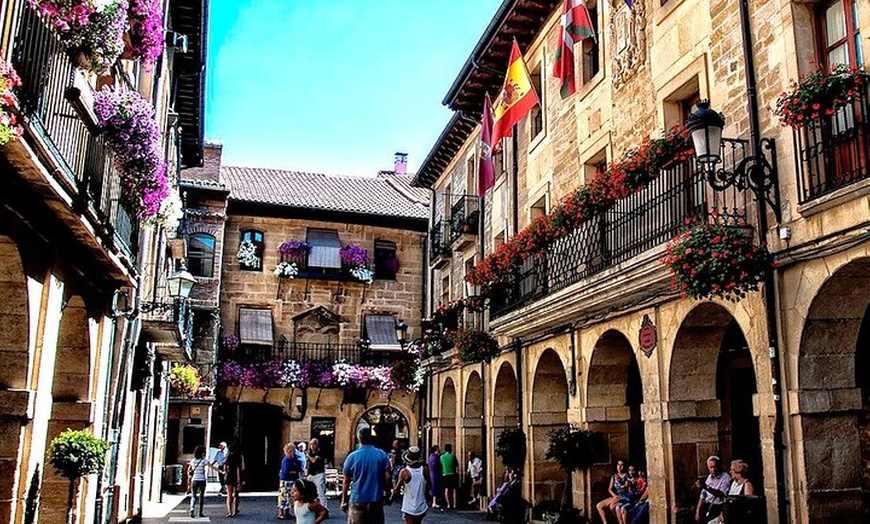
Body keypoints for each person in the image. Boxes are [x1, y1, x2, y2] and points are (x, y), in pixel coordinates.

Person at [341, 427, 391, 524]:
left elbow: (346, 481)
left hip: (357, 498)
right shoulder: (381, 455)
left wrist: (344, 500)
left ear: (358, 438)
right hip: (375, 498)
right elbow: (388, 477)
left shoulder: (352, 457)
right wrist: (388, 494)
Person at [391, 446, 429, 524]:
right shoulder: (425, 470)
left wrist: (390, 499)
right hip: (421, 505)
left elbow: (396, 489)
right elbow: (429, 485)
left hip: (409, 506)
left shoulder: (404, 472)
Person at [695, 456, 731, 523]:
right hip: (707, 506)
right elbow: (703, 496)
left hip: (717, 507)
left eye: (715, 467)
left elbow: (721, 494)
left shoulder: (725, 477)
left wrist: (706, 487)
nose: (713, 469)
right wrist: (698, 511)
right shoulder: (710, 477)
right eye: (711, 468)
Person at [596, 460, 630, 524]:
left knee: (612, 506)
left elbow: (627, 489)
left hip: (624, 496)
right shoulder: (614, 476)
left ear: (624, 466)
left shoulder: (627, 476)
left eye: (621, 465)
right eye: (618, 465)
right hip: (616, 496)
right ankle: (605, 522)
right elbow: (609, 489)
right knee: (599, 506)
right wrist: (614, 495)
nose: (619, 467)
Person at [278, 442, 303, 519]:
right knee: (284, 496)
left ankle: (287, 512)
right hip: (286, 480)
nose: (294, 452)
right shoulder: (286, 460)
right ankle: (282, 513)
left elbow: (299, 467)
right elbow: (286, 472)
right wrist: (295, 471)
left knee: (290, 497)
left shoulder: (294, 458)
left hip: (293, 480)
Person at [307, 438, 329, 511]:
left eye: (314, 444)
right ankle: (312, 508)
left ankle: (324, 509)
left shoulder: (320, 452)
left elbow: (314, 461)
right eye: (311, 444)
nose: (312, 446)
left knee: (321, 492)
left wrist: (308, 456)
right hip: (311, 474)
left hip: (318, 474)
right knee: (310, 492)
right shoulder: (311, 452)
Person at [223, 444, 245, 518]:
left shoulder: (228, 456)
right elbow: (242, 468)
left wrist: (226, 472)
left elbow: (224, 467)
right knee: (236, 494)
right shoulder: (240, 456)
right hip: (237, 476)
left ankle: (229, 511)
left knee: (229, 494)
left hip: (229, 476)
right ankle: (235, 510)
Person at [188, 446, 208, 518]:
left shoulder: (193, 460)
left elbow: (189, 470)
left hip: (194, 480)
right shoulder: (204, 460)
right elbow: (212, 467)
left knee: (193, 496)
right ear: (202, 453)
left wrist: (189, 478)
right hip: (202, 480)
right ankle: (200, 512)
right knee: (201, 496)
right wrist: (221, 471)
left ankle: (192, 508)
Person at [440, 443, 459, 509]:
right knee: (454, 490)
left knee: (446, 490)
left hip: (445, 474)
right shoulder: (453, 457)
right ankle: (454, 504)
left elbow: (440, 466)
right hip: (452, 474)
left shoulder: (441, 457)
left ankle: (448, 504)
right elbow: (456, 467)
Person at [427, 445, 442, 510]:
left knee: (434, 486)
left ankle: (435, 501)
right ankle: (434, 502)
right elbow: (438, 465)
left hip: (432, 473)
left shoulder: (431, 456)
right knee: (435, 487)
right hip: (436, 473)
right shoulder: (436, 457)